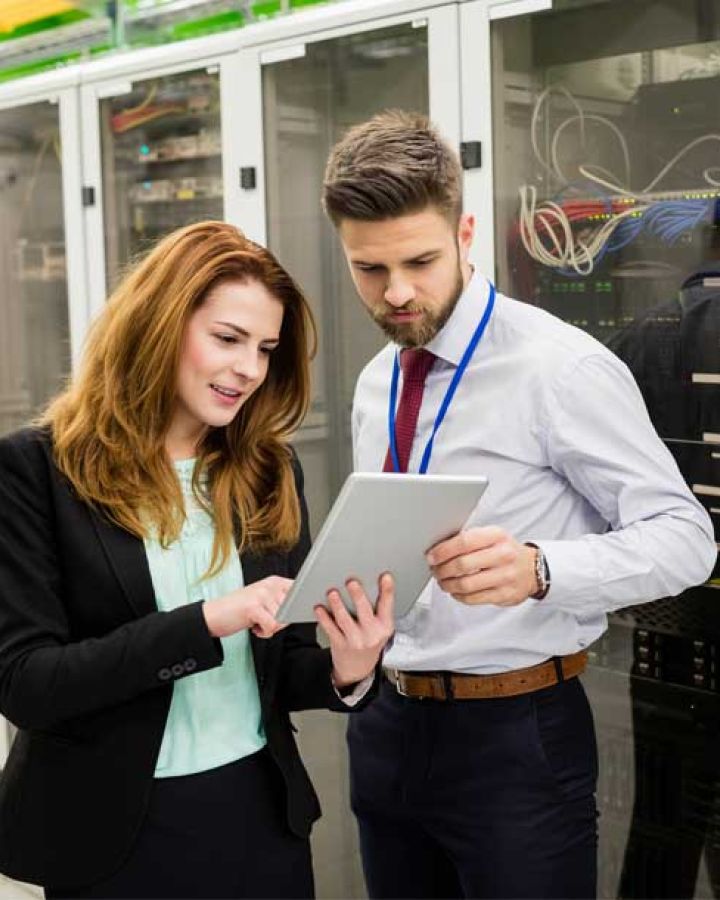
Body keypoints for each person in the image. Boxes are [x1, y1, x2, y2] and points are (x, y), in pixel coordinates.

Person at [321, 110, 716, 900]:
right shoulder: (376, 382)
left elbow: (688, 538)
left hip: (516, 738)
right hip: (387, 726)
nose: (396, 293)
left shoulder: (560, 368)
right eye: (369, 270)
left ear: (465, 231)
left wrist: (541, 569)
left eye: (419, 261)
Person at [0, 221, 394, 899]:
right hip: (112, 830)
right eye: (228, 339)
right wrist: (205, 620)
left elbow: (284, 663)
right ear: (158, 326)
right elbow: (27, 684)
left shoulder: (270, 470)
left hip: (259, 815)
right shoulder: (36, 470)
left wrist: (348, 668)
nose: (250, 369)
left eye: (266, 349)